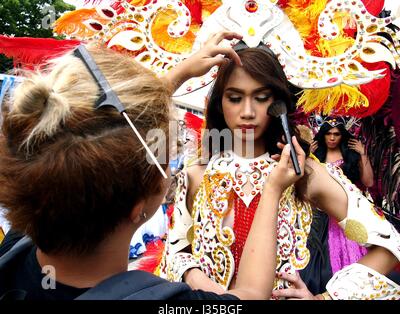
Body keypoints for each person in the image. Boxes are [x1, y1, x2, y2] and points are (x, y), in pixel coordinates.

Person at [0, 32, 312, 300]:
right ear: (141, 206)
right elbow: (250, 296)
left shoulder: (15, 250)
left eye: (260, 97)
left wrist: (176, 75)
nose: (247, 111)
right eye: (162, 157)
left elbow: (72, 135)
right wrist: (272, 191)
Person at [159, 43, 400, 300]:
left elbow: (390, 245)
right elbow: (175, 250)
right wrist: (198, 278)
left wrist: (324, 298)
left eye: (261, 98)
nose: (248, 112)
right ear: (219, 103)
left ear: (278, 105)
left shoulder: (303, 173)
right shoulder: (198, 173)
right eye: (235, 98)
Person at [299, 119, 375, 294]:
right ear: (323, 134)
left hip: (347, 216)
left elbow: (369, 182)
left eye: (336, 134)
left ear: (343, 135)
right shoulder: (315, 156)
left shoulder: (351, 156)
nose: (332, 138)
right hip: (319, 218)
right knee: (317, 266)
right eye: (328, 133)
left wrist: (363, 155)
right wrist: (307, 157)